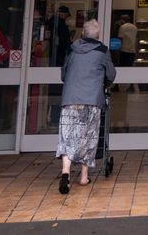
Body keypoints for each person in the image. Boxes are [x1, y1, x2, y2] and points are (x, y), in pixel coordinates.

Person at [56, 19, 116, 194]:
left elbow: (64, 73)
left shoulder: (71, 49)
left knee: (67, 137)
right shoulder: (102, 51)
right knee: (88, 137)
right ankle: (83, 177)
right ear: (97, 36)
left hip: (70, 99)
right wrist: (106, 82)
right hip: (91, 100)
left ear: (83, 33)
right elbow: (111, 74)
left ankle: (66, 172)